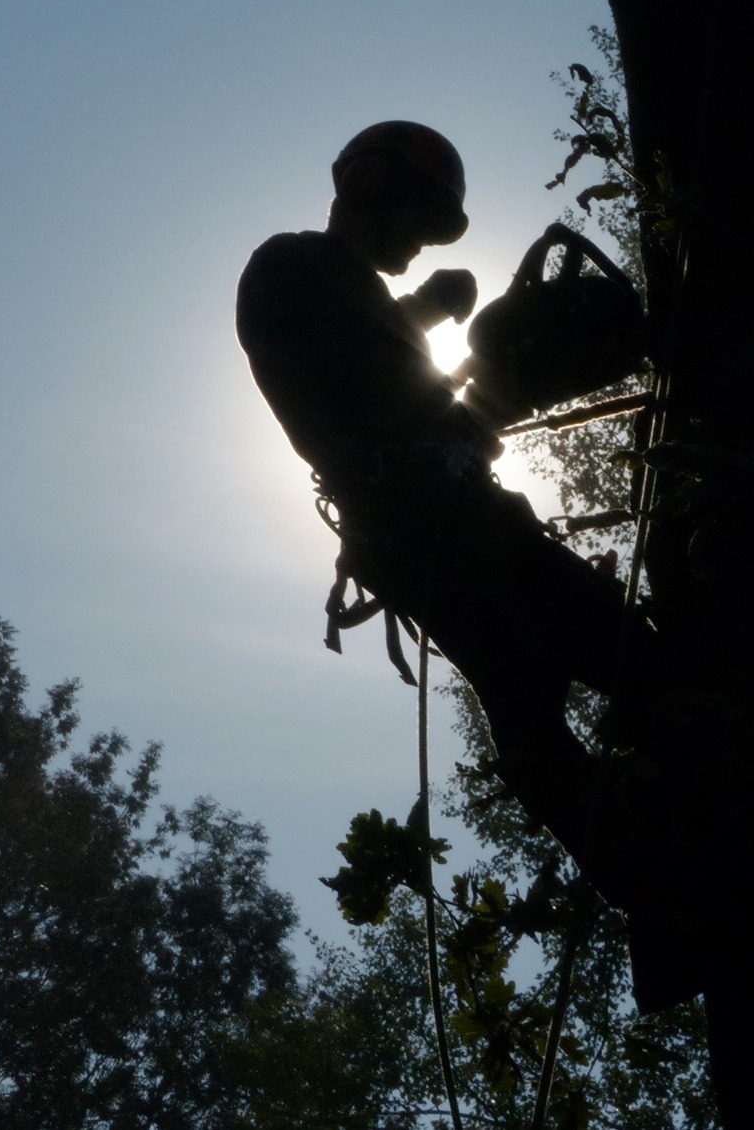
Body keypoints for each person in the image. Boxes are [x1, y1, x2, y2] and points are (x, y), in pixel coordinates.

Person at [235, 121, 653, 902]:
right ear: (367, 190)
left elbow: (389, 362)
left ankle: (680, 782)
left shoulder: (356, 295)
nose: (420, 244)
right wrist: (482, 366)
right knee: (522, 673)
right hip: (415, 529)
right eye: (417, 222)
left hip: (466, 511)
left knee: (623, 648)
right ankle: (639, 863)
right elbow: (358, 390)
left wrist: (436, 320)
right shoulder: (286, 268)